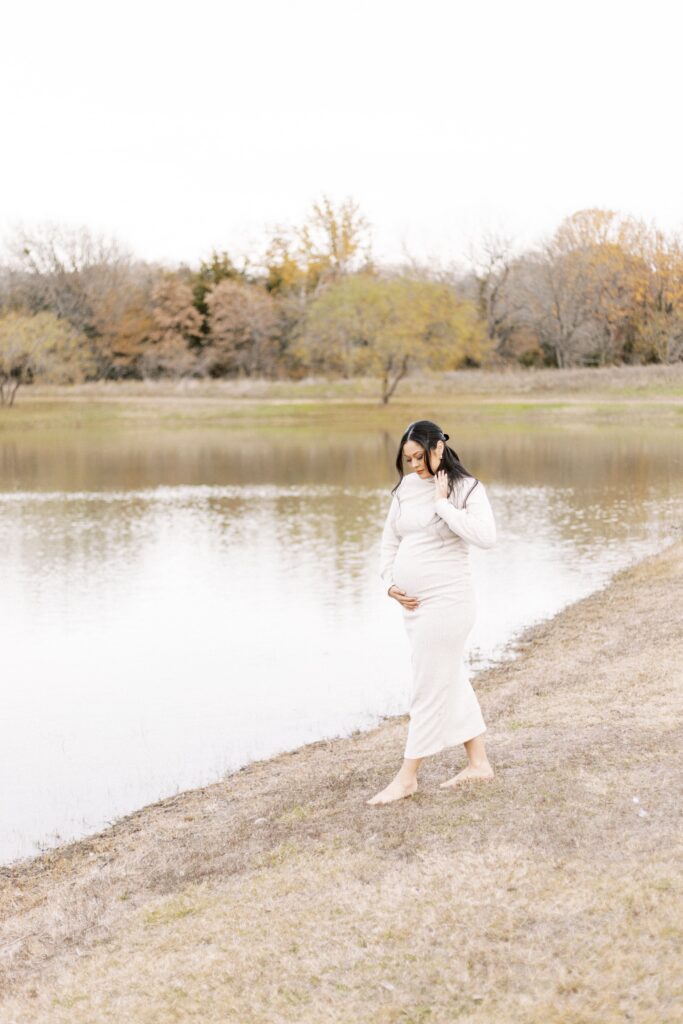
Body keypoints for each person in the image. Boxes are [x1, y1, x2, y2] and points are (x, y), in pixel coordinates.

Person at [367, 419, 496, 806]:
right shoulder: (405, 488)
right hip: (414, 607)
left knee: (427, 686)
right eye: (408, 459)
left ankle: (407, 777)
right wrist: (389, 582)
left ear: (439, 449)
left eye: (420, 457)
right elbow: (389, 541)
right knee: (449, 676)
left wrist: (443, 505)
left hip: (449, 602)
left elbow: (486, 538)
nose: (415, 466)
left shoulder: (466, 488)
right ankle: (479, 764)